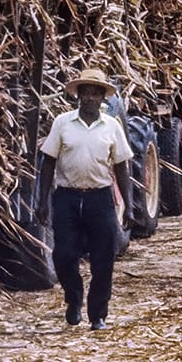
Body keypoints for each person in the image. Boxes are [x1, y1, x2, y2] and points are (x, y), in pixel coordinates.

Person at [37, 67, 133, 331]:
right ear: (78, 96)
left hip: (100, 198)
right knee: (64, 255)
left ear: (103, 98)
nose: (90, 98)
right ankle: (73, 298)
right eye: (85, 92)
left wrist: (129, 205)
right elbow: (48, 162)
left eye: (95, 93)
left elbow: (122, 167)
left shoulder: (111, 126)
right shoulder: (62, 123)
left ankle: (98, 314)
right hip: (66, 197)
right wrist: (42, 200)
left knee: (104, 258)